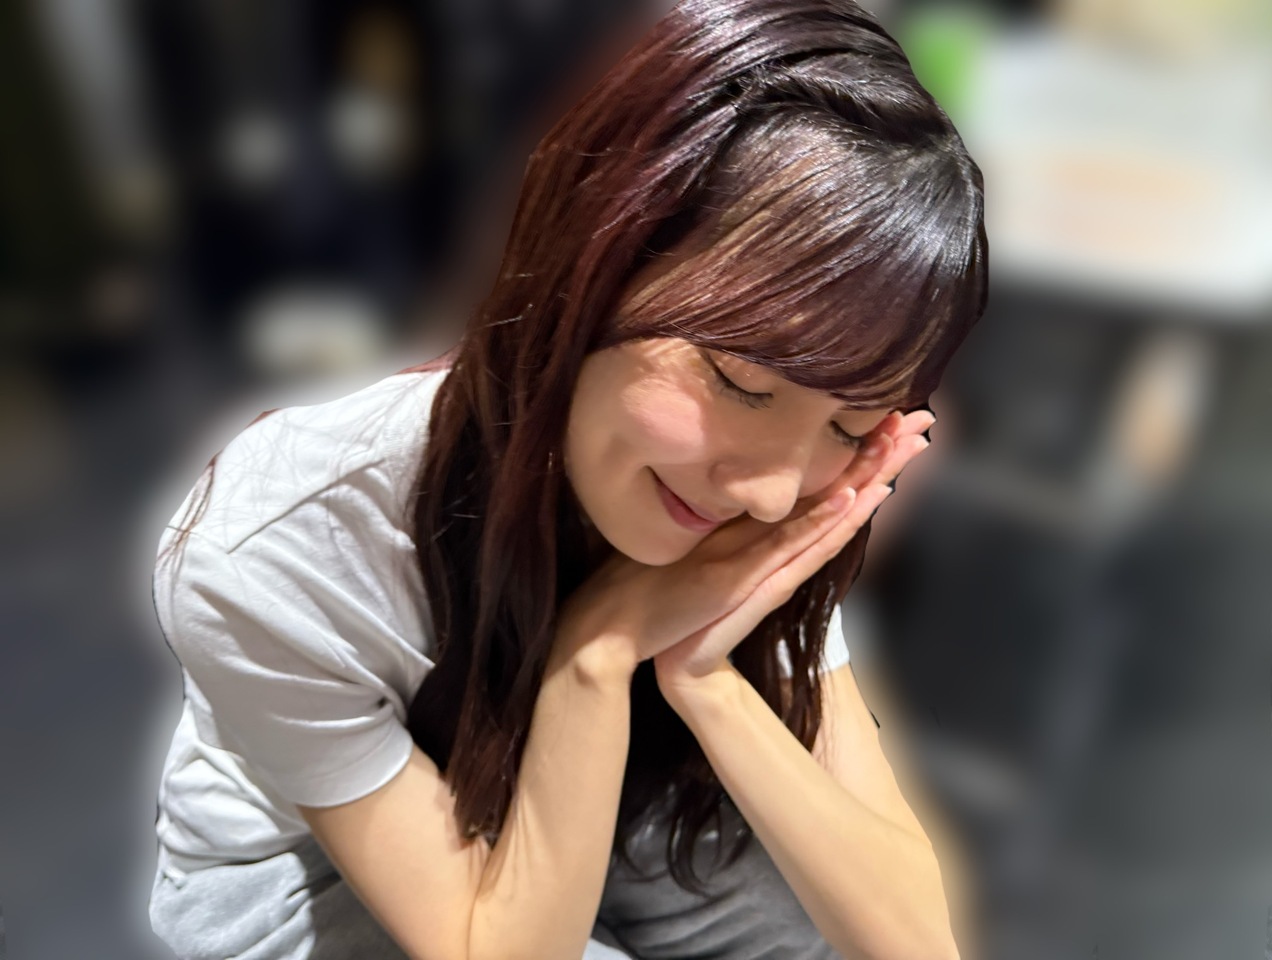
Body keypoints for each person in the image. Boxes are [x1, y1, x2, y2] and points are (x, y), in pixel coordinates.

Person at [146, 1, 988, 958]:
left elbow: (915, 942)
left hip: (625, 782)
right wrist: (599, 648)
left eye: (848, 426)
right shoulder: (285, 539)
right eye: (742, 385)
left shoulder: (769, 491)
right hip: (311, 862)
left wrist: (704, 676)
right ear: (585, 269)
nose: (768, 495)